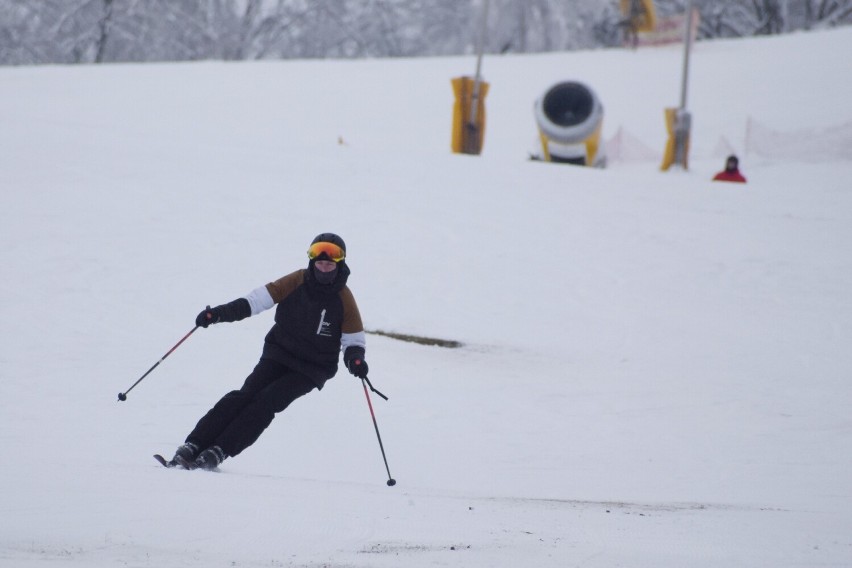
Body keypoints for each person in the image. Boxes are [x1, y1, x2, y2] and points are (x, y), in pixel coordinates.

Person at [167, 233, 368, 470]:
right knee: (244, 395)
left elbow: (354, 340)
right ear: (312, 261)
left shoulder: (344, 298)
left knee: (266, 401)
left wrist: (355, 360)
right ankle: (194, 444)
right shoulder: (296, 281)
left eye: (330, 263)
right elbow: (254, 302)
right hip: (279, 354)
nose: (324, 267)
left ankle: (220, 450)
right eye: (319, 262)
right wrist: (218, 314)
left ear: (339, 264)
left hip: (312, 369)